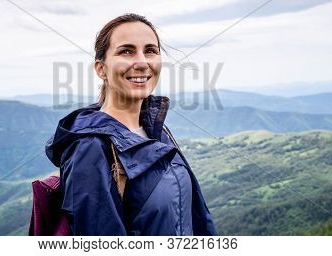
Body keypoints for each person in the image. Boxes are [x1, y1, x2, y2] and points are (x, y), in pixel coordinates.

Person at [45, 13, 217, 235]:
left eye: (150, 51)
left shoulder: (158, 131)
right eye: (126, 51)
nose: (142, 62)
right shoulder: (90, 148)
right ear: (101, 68)